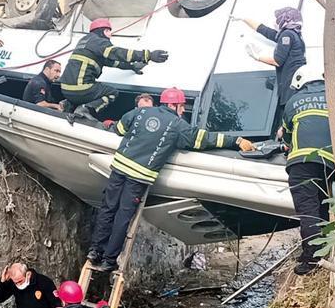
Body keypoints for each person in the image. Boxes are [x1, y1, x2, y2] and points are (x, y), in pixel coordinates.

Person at [87, 87, 256, 271]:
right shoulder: (177, 125)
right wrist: (236, 141)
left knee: (108, 209)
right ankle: (109, 261)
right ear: (173, 105)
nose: (183, 110)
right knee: (123, 217)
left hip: (118, 169)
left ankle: (95, 251)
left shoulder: (142, 111)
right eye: (182, 106)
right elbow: (203, 139)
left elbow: (120, 128)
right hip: (139, 177)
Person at [280, 65, 334, 275]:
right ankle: (321, 250)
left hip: (302, 163)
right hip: (329, 163)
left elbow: (286, 136)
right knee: (322, 207)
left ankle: (311, 260)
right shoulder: (333, 97)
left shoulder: (293, 102)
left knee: (308, 210)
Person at [60, 18, 168, 121]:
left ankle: (68, 105)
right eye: (108, 31)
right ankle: (85, 109)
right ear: (103, 31)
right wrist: (147, 55)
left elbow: (112, 62)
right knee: (112, 92)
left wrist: (131, 66)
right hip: (80, 88)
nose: (110, 35)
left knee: (93, 88)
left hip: (65, 89)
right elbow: (117, 53)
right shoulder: (98, 41)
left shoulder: (85, 42)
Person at [234, 7, 307, 130]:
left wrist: (257, 56)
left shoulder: (287, 35)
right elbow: (265, 30)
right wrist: (244, 19)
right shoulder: (294, 35)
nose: (276, 22)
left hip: (290, 87)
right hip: (296, 86)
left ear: (285, 19)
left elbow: (277, 61)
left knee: (288, 121)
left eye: (279, 18)